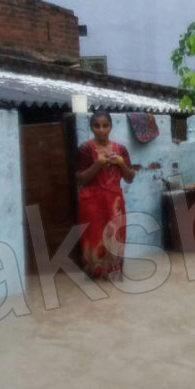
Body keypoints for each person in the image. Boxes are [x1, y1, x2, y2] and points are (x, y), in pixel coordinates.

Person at [76, 112, 136, 278]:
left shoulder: (120, 150)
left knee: (116, 236)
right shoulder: (85, 149)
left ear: (111, 126)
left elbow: (130, 178)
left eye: (105, 126)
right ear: (91, 127)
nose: (101, 130)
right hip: (91, 203)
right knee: (94, 238)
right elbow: (80, 179)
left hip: (114, 202)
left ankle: (114, 276)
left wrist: (122, 163)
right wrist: (98, 163)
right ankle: (95, 277)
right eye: (97, 126)